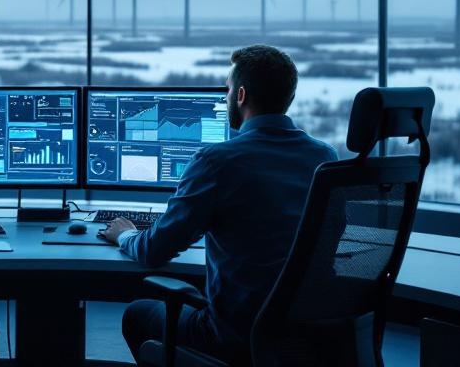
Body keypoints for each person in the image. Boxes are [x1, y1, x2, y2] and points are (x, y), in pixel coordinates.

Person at [102, 44, 339, 364]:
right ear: (290, 97)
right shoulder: (325, 157)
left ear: (240, 95)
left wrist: (125, 234)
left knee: (137, 314)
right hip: (306, 337)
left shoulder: (218, 161)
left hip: (235, 337)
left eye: (227, 90)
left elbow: (154, 251)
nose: (225, 97)